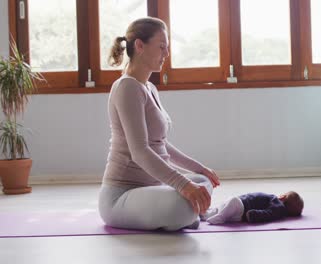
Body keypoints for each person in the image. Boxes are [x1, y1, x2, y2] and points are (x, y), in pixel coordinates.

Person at [98, 17, 220, 231]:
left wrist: (199, 168)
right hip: (122, 195)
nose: (167, 54)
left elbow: (159, 143)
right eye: (161, 47)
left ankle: (190, 210)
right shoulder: (127, 87)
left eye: (167, 47)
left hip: (153, 186)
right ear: (139, 46)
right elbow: (140, 151)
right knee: (182, 206)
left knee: (202, 181)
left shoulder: (149, 88)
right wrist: (183, 185)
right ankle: (188, 212)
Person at [203, 191, 304, 224]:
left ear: (283, 197)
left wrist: (253, 214)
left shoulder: (279, 206)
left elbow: (268, 214)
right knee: (223, 206)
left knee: (233, 201)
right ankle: (204, 216)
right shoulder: (278, 206)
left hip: (243, 208)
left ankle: (221, 217)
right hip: (240, 208)